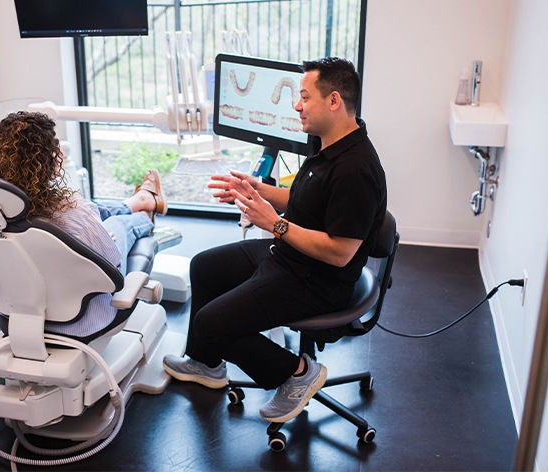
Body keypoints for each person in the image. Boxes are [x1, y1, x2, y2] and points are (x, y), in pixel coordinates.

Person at [163, 57, 387, 424]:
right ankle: (207, 364)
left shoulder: (356, 170)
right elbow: (302, 198)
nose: (297, 105)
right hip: (290, 257)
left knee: (210, 324)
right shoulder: (327, 146)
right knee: (203, 267)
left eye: (304, 97)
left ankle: (298, 372)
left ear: (333, 101)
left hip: (319, 280)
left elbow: (340, 253)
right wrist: (253, 189)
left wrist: (275, 224)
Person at [0, 110, 167, 338]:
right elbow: (112, 271)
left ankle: (136, 201)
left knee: (94, 208)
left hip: (16, 316)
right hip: (85, 319)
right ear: (54, 161)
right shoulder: (74, 213)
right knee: (117, 225)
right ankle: (146, 214)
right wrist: (102, 237)